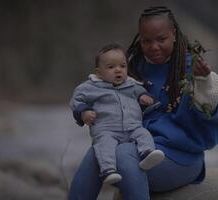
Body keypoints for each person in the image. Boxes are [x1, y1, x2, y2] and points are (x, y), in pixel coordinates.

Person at [68, 6, 218, 200]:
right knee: (98, 150)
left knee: (123, 152)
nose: (154, 47)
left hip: (179, 158)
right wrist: (84, 111)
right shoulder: (131, 66)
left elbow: (212, 126)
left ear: (174, 34)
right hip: (133, 146)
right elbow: (97, 95)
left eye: (161, 39)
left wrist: (204, 86)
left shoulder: (192, 69)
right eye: (147, 41)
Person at [69, 43, 165, 185]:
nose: (118, 70)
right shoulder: (90, 87)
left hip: (132, 127)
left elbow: (141, 93)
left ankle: (147, 154)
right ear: (99, 72)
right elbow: (76, 100)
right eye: (111, 67)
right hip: (106, 129)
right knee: (104, 145)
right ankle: (108, 170)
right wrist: (83, 112)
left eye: (122, 66)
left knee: (144, 134)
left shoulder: (132, 85)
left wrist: (145, 98)